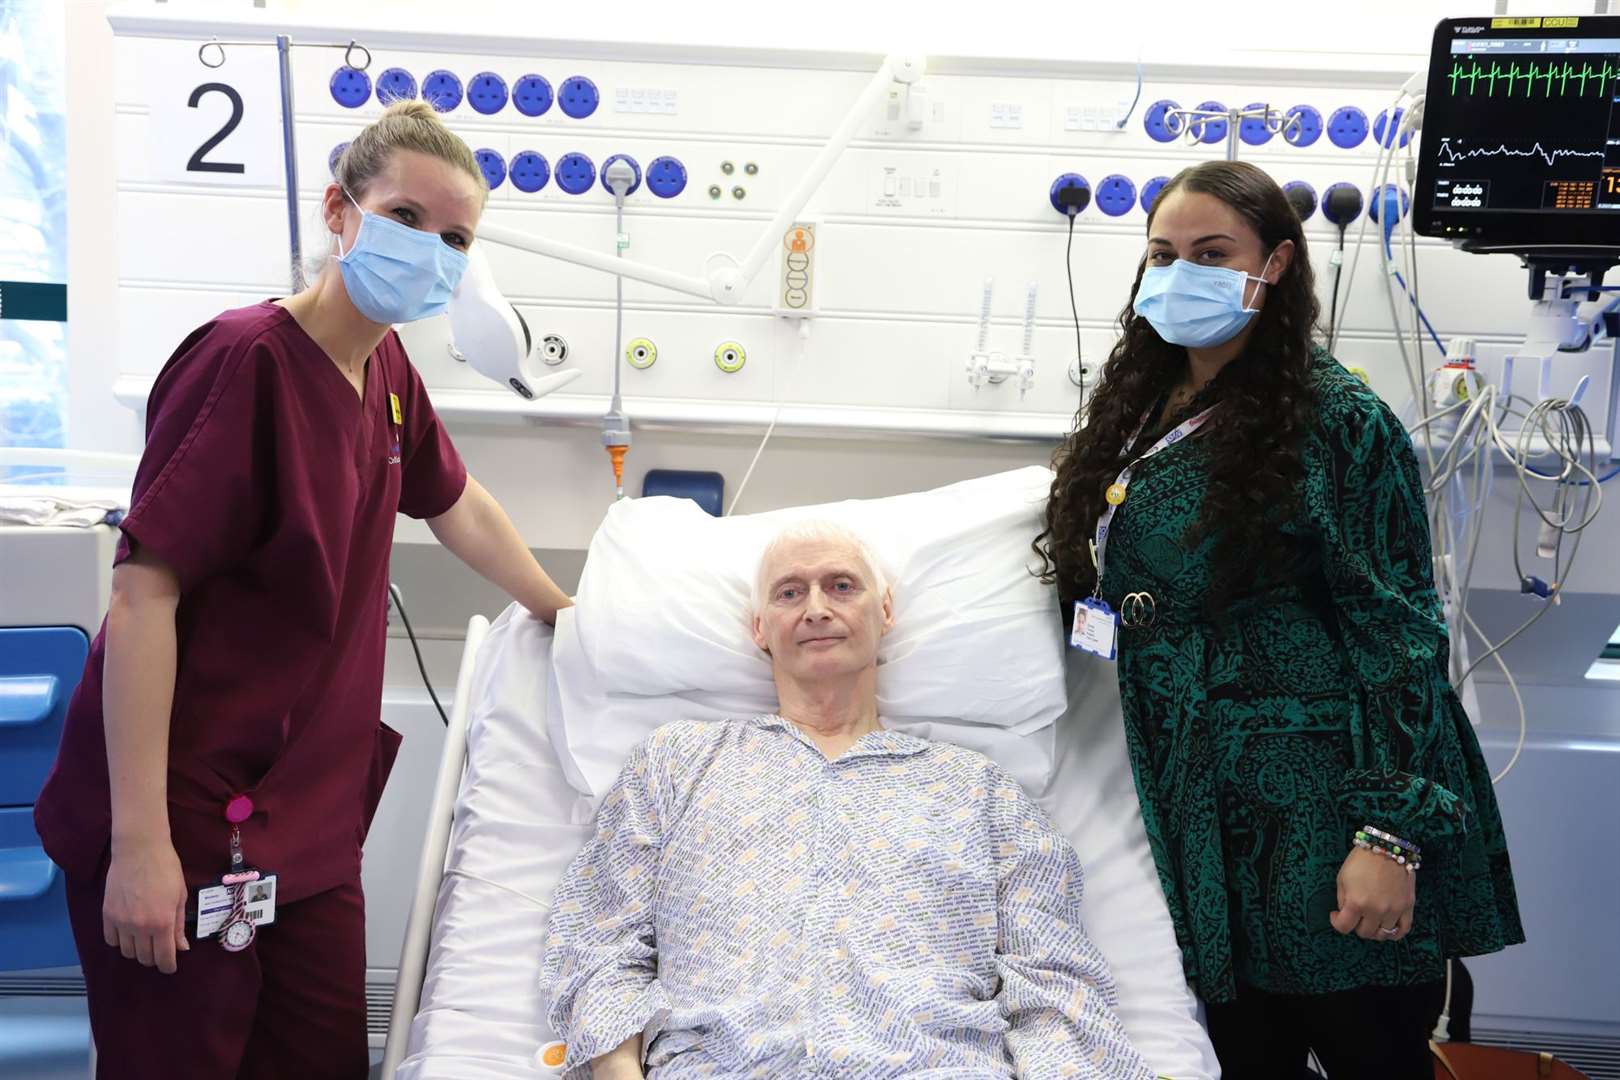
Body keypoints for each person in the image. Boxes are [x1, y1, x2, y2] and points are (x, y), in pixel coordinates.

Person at [34, 100, 570, 1080]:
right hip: (184, 815)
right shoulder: (244, 363)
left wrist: (562, 611)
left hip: (307, 835)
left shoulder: (389, 372)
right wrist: (139, 847)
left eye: (456, 237)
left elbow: (457, 505)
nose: (432, 250)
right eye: (407, 218)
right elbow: (142, 600)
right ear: (339, 210)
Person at [1034, 160, 1523, 1079]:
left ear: (1277, 265)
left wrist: (1387, 837)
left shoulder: (1337, 421)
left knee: (1365, 1044)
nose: (1182, 274)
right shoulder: (1144, 406)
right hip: (1200, 806)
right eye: (1164, 255)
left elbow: (1401, 638)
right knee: (1242, 1057)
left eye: (1213, 254)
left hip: (1323, 804)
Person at [540, 523, 1152, 1080]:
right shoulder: (675, 763)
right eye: (788, 593)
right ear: (759, 628)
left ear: (884, 612)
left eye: (840, 586)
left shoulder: (978, 792)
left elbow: (1055, 984)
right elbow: (599, 940)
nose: (815, 609)